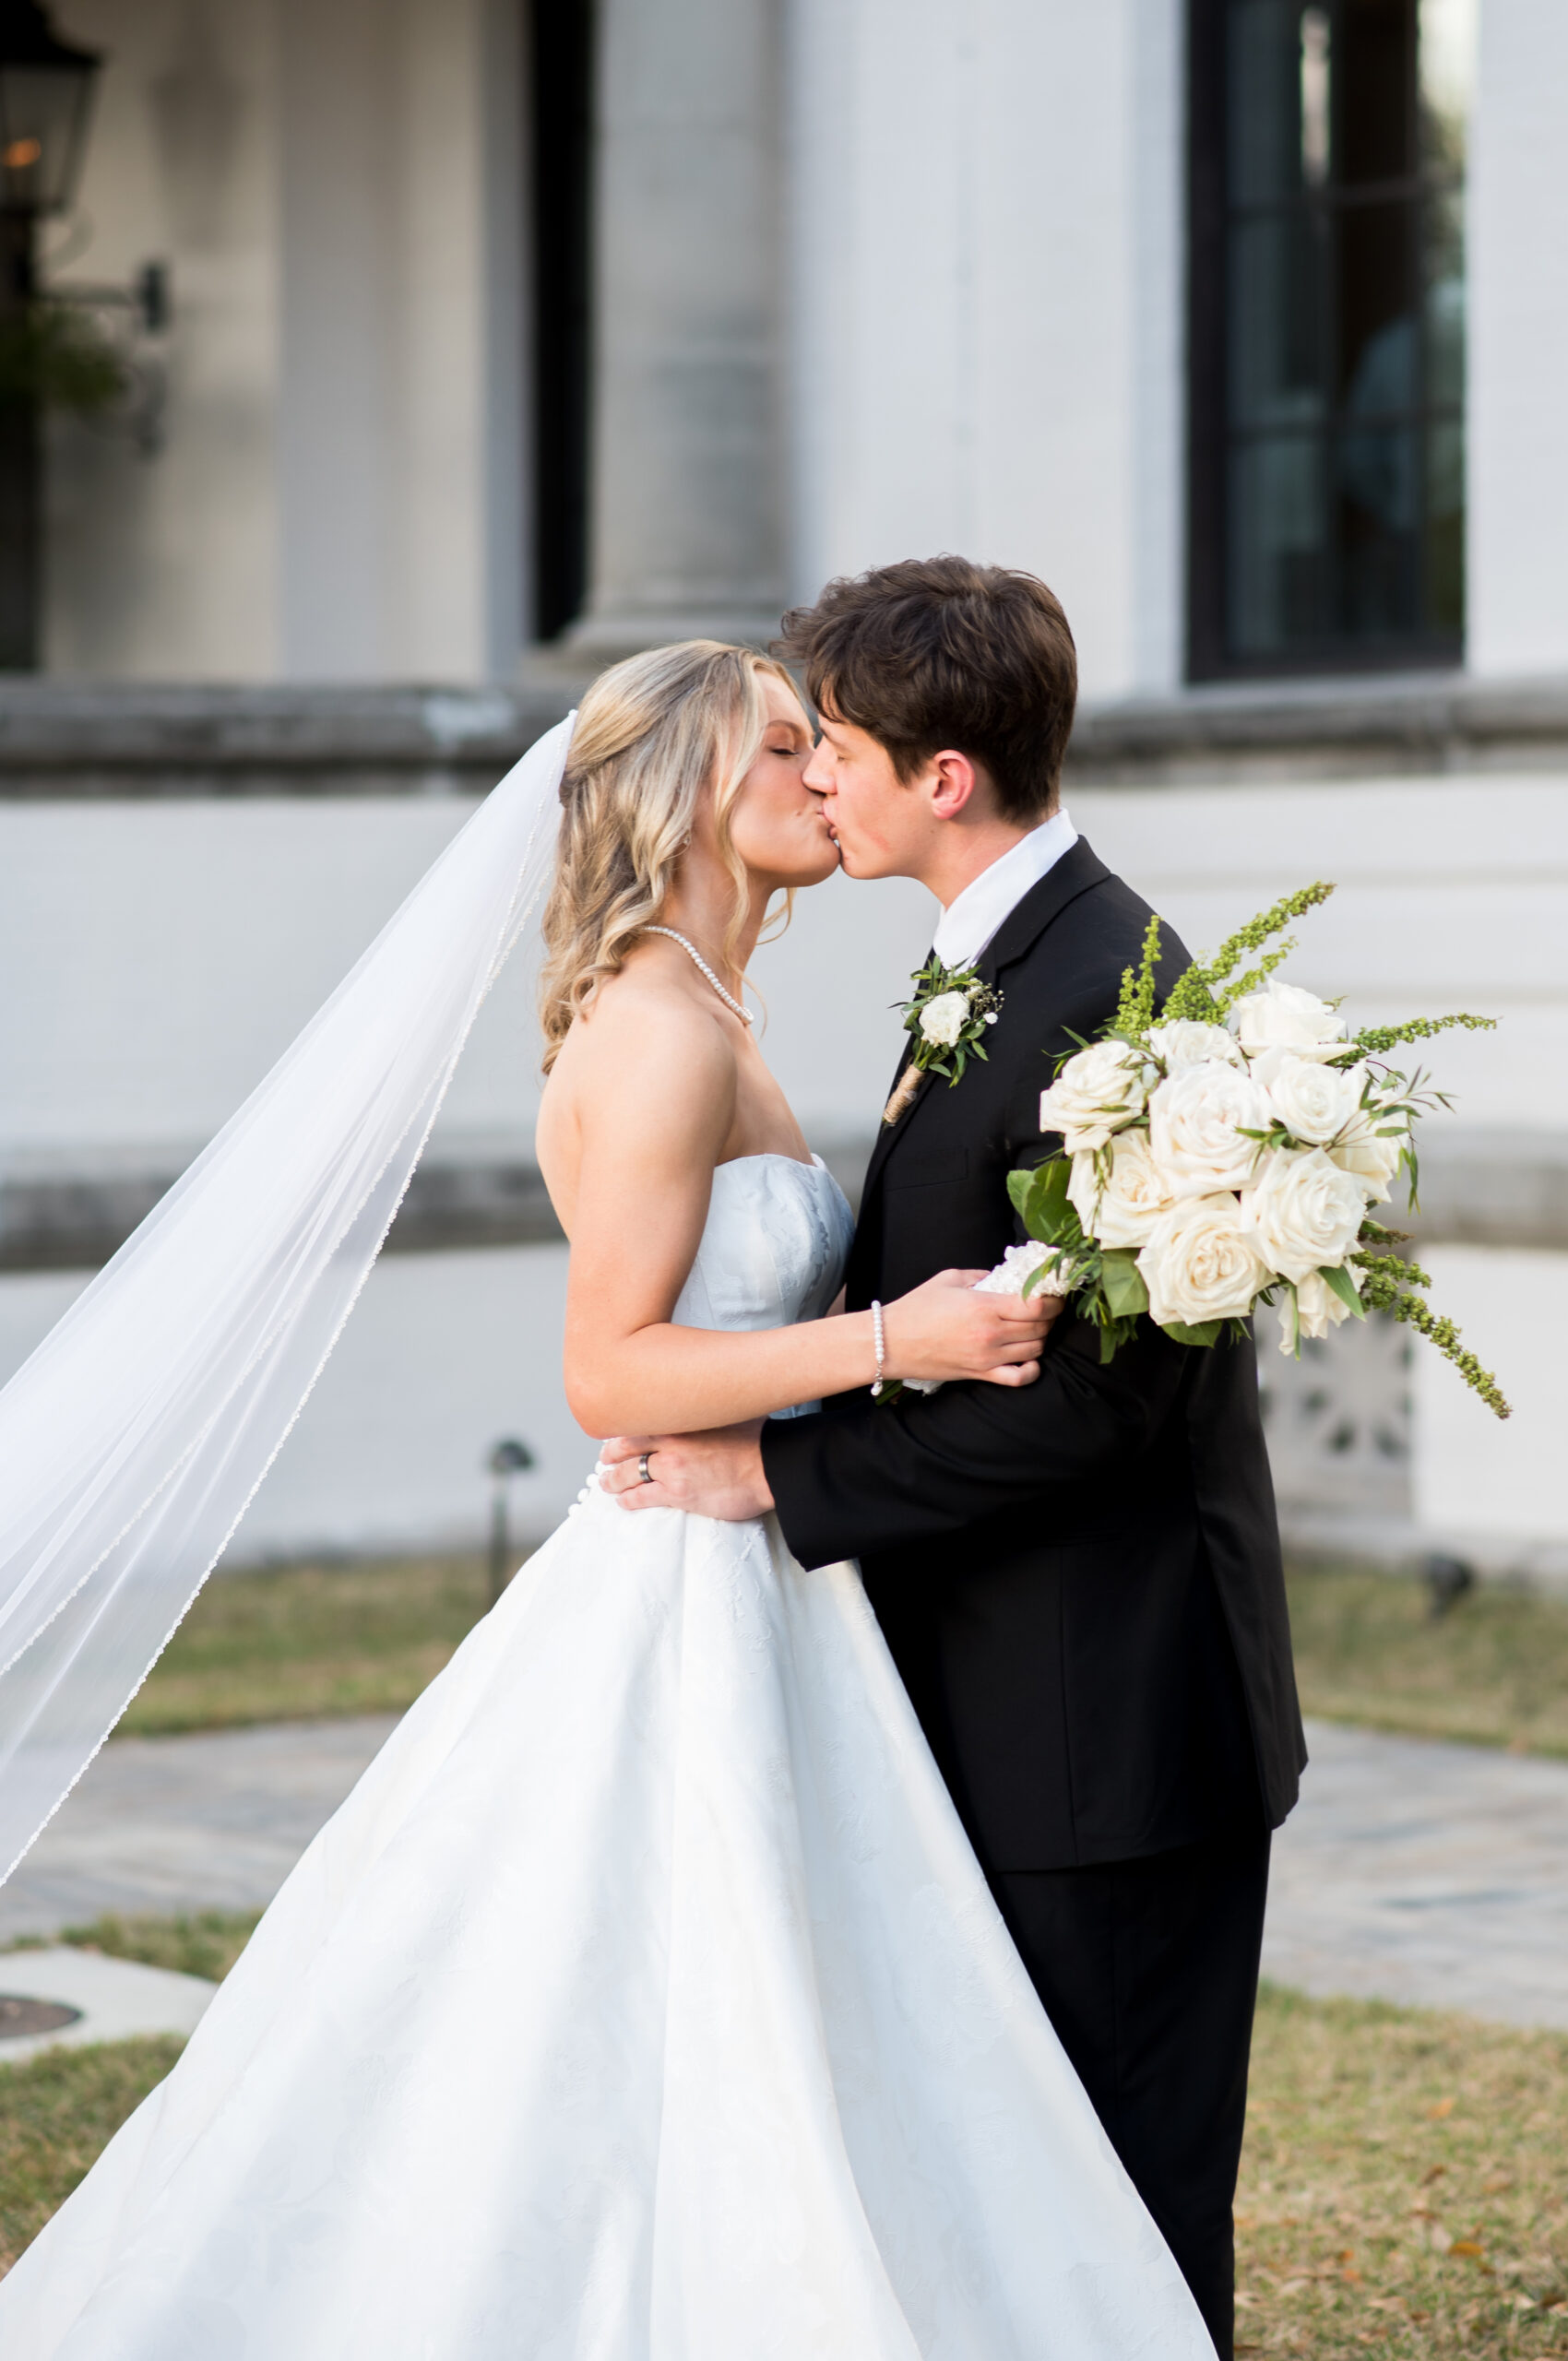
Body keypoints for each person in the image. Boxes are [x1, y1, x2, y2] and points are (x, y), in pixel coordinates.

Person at [0, 637, 1215, 2356]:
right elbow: (610, 1371)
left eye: (826, 744)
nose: (821, 772)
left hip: (772, 1572)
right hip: (675, 1601)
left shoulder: (721, 1007)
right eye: (784, 748)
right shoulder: (654, 1026)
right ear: (681, 795)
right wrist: (900, 1335)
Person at [599, 560, 1306, 2359]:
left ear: (945, 778)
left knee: (1123, 2225)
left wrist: (782, 1476)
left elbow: (1098, 1403)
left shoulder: (1114, 992)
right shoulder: (991, 964)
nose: (811, 773)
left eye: (830, 742)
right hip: (1001, 1693)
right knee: (1015, 2205)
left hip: (1112, 1720)